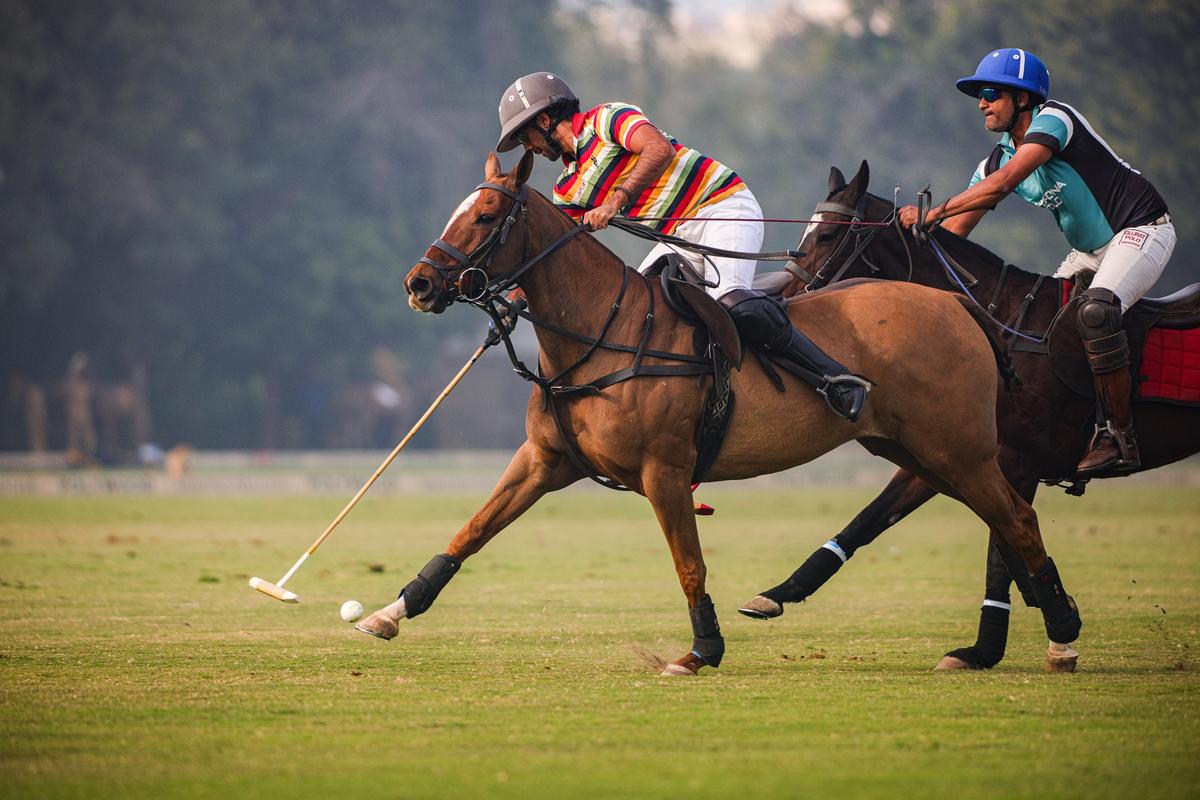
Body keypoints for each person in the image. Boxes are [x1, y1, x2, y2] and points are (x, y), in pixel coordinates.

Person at [496, 72, 869, 420]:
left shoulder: (608, 118)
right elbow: (556, 247)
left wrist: (613, 203)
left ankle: (835, 380)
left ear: (544, 122)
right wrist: (515, 300)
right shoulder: (567, 186)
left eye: (524, 135)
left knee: (733, 305)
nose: (527, 146)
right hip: (677, 237)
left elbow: (658, 150)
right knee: (628, 316)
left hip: (722, 205)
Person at [899, 48, 1174, 475]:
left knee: (1097, 313)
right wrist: (905, 244)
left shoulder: (1055, 119)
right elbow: (954, 239)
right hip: (1088, 252)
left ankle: (1121, 436)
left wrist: (931, 213)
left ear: (1023, 100)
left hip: (1141, 230)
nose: (982, 104)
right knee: (1042, 328)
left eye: (991, 93)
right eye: (979, 95)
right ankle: (1059, 428)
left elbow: (1002, 187)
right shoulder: (992, 160)